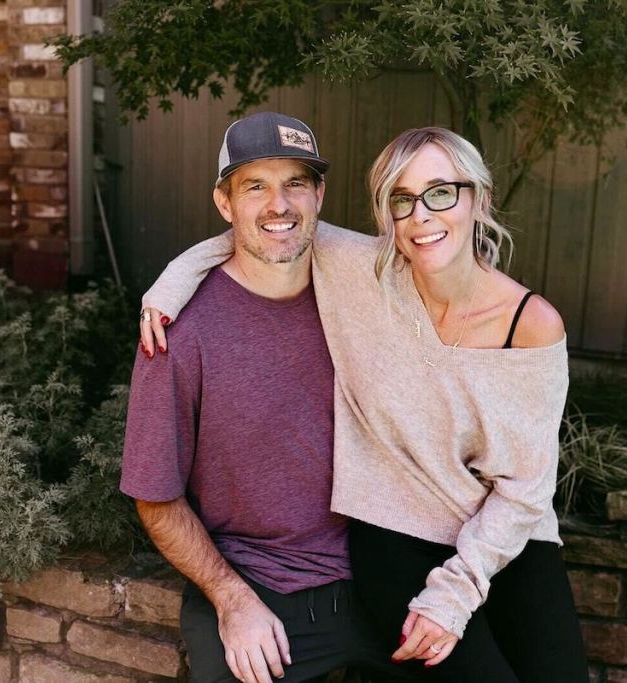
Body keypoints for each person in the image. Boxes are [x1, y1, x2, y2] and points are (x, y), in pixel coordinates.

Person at [139, 123, 589, 683]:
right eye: (402, 200)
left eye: (441, 193)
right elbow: (266, 232)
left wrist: (459, 591)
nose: (422, 216)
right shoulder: (366, 274)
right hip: (397, 539)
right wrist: (166, 289)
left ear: (479, 197)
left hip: (505, 539)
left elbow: (528, 487)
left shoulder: (533, 324)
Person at [121, 111, 424, 683]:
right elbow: (156, 498)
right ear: (224, 202)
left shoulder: (364, 298)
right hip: (260, 589)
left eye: (295, 183)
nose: (278, 205)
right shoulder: (177, 332)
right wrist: (231, 601)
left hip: (381, 573)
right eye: (255, 185)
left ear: (319, 195)